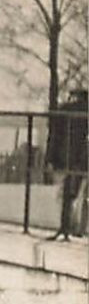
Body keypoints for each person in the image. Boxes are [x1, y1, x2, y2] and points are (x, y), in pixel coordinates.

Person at [46, 86, 88, 240]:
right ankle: (78, 228)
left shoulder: (65, 111)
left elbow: (55, 136)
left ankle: (67, 227)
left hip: (70, 158)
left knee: (68, 194)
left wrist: (51, 159)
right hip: (82, 158)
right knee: (80, 195)